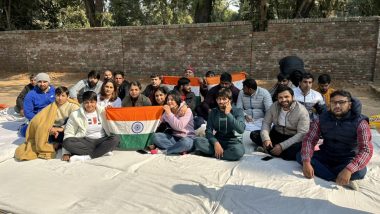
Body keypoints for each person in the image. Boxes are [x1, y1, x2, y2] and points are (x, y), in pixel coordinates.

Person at [297, 90, 373, 190]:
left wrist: (348, 170)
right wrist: (306, 162)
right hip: (326, 154)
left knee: (360, 171)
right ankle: (334, 178)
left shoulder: (360, 122)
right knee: (300, 156)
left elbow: (366, 149)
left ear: (349, 105)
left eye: (341, 102)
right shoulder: (321, 118)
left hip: (347, 158)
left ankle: (331, 173)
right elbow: (309, 140)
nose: (337, 105)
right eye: (333, 102)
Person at [14, 86, 80, 160]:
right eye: (58, 95)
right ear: (55, 96)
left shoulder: (73, 106)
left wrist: (60, 129)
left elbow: (75, 123)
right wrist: (50, 128)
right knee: (29, 131)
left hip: (66, 128)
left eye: (63, 95)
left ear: (67, 96)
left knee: (69, 136)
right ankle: (23, 127)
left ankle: (59, 145)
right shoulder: (52, 106)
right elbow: (43, 119)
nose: (60, 98)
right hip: (52, 128)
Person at [251, 85, 310, 161]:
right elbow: (266, 123)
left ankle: (270, 150)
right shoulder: (274, 106)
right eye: (280, 97)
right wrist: (266, 139)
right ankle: (273, 149)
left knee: (295, 151)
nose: (284, 100)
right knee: (254, 135)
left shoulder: (301, 110)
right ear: (277, 98)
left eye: (286, 97)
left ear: (292, 97)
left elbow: (302, 134)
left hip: (292, 137)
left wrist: (282, 146)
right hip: (277, 133)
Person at [62, 91, 120, 162]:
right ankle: (102, 151)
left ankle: (86, 157)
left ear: (96, 102)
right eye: (86, 102)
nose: (89, 105)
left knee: (116, 138)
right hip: (86, 141)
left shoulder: (103, 111)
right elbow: (68, 132)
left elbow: (116, 123)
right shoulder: (75, 114)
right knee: (67, 142)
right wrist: (66, 153)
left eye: (92, 102)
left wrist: (111, 111)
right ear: (83, 103)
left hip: (101, 140)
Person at [194, 88, 245, 161]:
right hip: (218, 140)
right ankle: (221, 153)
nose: (221, 102)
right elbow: (208, 131)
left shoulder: (238, 111)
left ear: (229, 100)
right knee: (197, 141)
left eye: (224, 99)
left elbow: (241, 129)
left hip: (233, 142)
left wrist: (228, 114)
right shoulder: (213, 112)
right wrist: (216, 143)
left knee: (238, 152)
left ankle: (213, 154)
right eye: (219, 99)